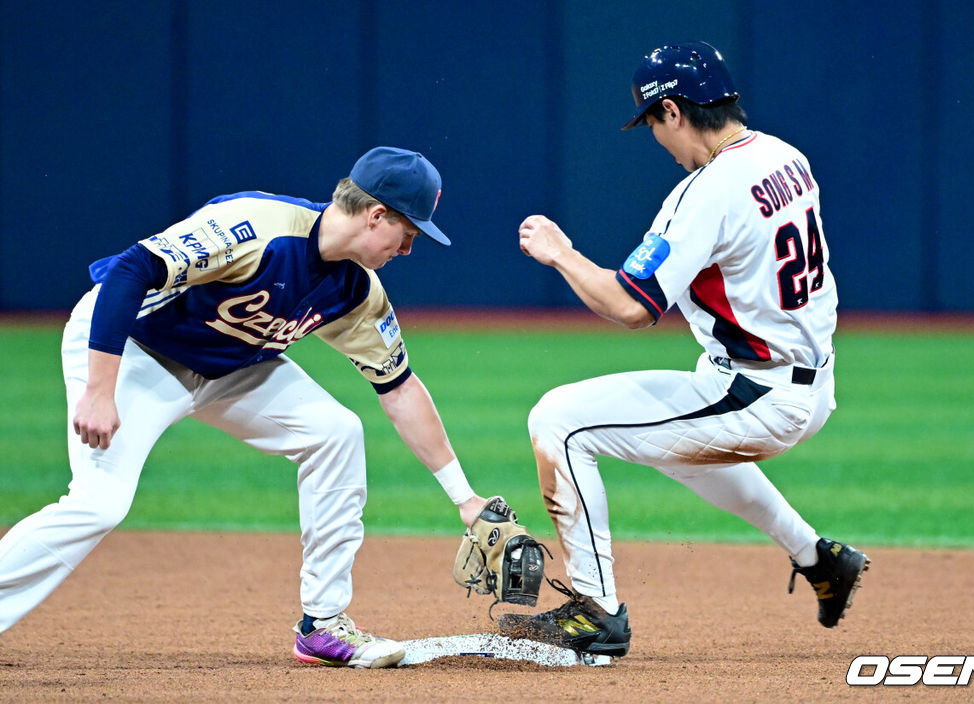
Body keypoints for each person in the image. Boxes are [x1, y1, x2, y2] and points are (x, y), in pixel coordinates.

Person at [0, 146, 490, 669]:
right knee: (100, 504)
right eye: (408, 234)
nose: (409, 249)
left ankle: (322, 625)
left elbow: (400, 388)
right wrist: (100, 387)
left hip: (230, 367)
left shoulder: (356, 291)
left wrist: (464, 498)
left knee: (335, 432)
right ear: (376, 215)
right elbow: (131, 270)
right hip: (136, 352)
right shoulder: (257, 226)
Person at [499, 43, 869, 657]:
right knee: (666, 444)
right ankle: (820, 559)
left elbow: (630, 306)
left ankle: (596, 613)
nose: (655, 138)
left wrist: (560, 252)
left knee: (559, 423)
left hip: (758, 393)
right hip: (807, 378)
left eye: (651, 123)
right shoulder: (785, 156)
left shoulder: (706, 192)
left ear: (672, 110)